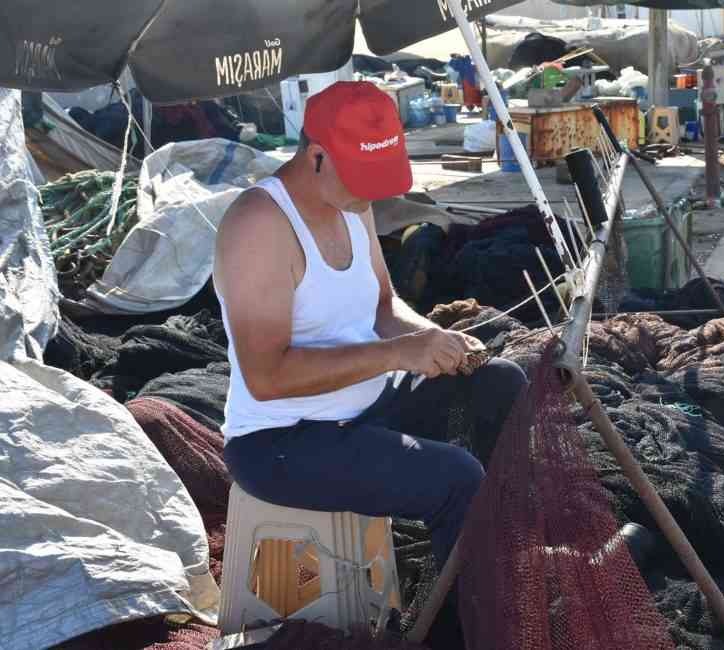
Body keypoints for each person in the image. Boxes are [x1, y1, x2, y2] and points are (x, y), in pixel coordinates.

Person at [212, 81, 527, 595]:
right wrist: (398, 354)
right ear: (316, 158)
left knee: (500, 381)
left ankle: (499, 557)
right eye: (363, 179)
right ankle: (466, 626)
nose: (370, 196)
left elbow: (383, 306)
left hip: (369, 406)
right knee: (456, 479)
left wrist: (434, 338)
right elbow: (267, 377)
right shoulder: (259, 227)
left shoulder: (352, 203)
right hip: (283, 444)